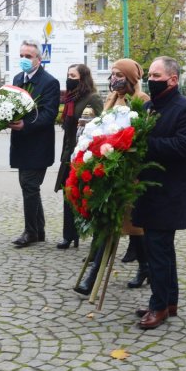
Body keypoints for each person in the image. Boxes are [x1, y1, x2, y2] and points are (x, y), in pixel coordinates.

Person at [132, 56, 186, 329]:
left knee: (158, 252)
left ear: (173, 79)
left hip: (169, 192)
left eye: (157, 76)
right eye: (149, 75)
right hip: (147, 190)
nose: (151, 80)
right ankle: (169, 301)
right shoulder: (148, 106)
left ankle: (158, 307)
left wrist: (144, 143)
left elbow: (183, 147)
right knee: (161, 250)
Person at [74, 58, 150, 295]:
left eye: (119, 74)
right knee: (107, 224)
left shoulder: (142, 101)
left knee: (132, 225)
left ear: (130, 78)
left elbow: (141, 137)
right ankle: (95, 273)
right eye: (112, 74)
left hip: (128, 173)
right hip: (106, 169)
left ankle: (143, 267)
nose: (113, 78)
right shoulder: (111, 99)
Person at [9, 40, 61, 248]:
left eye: (29, 56)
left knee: (30, 186)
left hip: (38, 145)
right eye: (22, 55)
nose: (24, 59)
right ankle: (38, 230)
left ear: (39, 59)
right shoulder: (17, 79)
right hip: (21, 144)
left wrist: (25, 125)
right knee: (28, 186)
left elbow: (48, 115)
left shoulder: (49, 82)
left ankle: (30, 232)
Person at [54, 64, 103, 249]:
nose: (69, 78)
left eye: (73, 75)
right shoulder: (70, 98)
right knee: (68, 194)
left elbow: (99, 125)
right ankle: (69, 235)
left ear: (82, 78)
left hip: (84, 155)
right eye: (68, 75)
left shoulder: (93, 98)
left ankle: (93, 239)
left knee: (86, 196)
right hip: (69, 154)